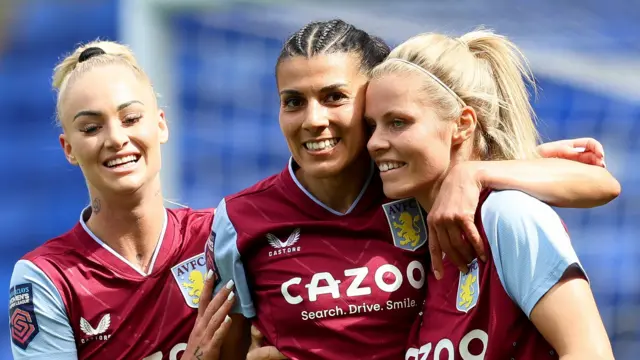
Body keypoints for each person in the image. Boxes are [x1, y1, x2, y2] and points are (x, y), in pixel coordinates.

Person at [210, 20, 619, 360]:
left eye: (335, 97)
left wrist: (474, 173)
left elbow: (601, 184)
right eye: (293, 101)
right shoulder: (241, 220)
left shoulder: (475, 206)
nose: (314, 119)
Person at [364, 29, 615, 359]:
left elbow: (590, 353)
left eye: (398, 122)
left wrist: (476, 171)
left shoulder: (507, 214)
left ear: (463, 124)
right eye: (372, 126)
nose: (374, 143)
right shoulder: (415, 231)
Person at [8, 41, 236, 360]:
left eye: (130, 119)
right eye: (91, 128)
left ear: (160, 124)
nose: (116, 138)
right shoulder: (47, 278)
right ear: (68, 148)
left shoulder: (219, 235)